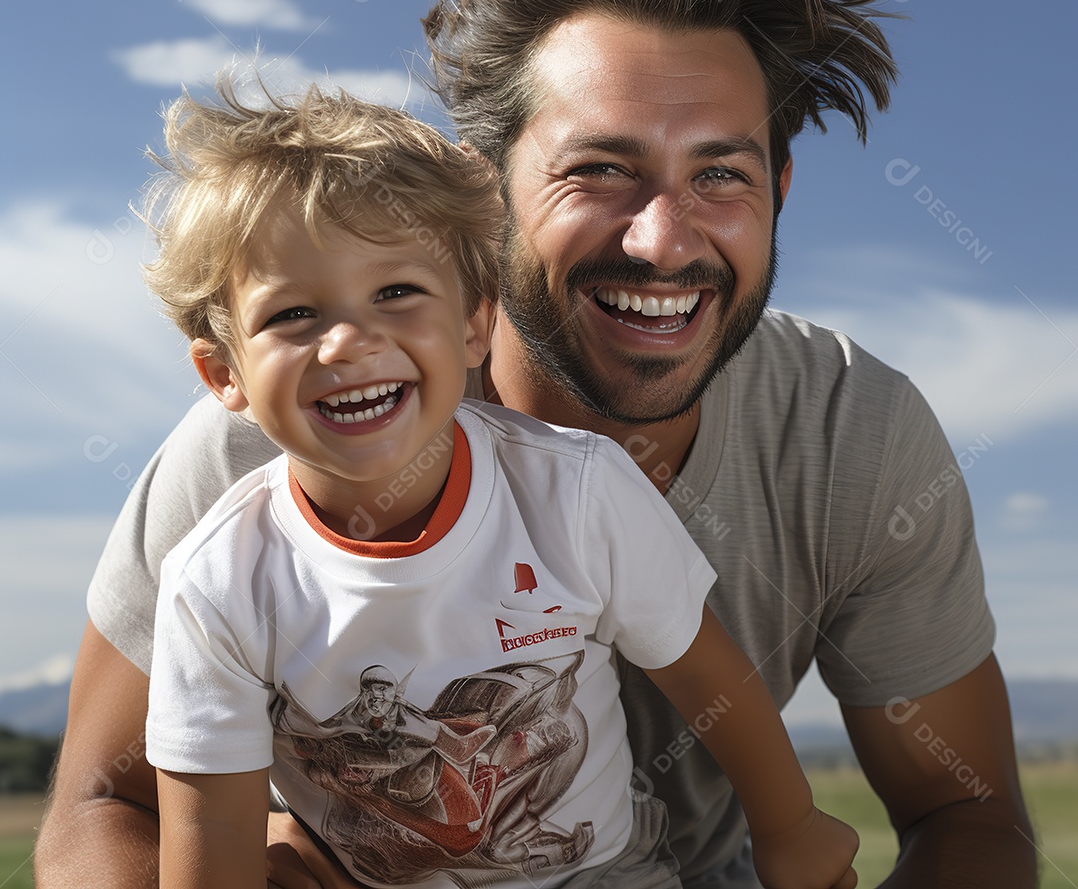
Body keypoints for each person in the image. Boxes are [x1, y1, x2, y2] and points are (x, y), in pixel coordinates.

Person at [36, 0, 1035, 889]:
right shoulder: (262, 447)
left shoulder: (854, 437)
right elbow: (100, 806)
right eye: (598, 169)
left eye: (720, 174)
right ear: (487, 191)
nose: (662, 241)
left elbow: (966, 813)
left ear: (779, 187)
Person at [137, 81, 857, 889]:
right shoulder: (217, 582)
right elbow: (215, 830)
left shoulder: (576, 492)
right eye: (293, 315)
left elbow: (706, 675)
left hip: (603, 875)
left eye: (397, 293)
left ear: (476, 324)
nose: (348, 342)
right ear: (222, 373)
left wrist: (791, 827)